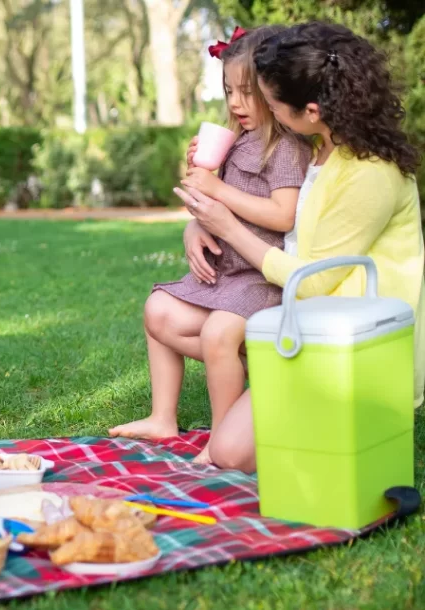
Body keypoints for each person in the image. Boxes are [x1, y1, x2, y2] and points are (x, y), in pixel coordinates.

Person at [175, 21, 424, 473]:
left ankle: (324, 421)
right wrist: (199, 225)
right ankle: (286, 406)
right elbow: (272, 221)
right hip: (308, 325)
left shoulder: (370, 173)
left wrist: (228, 227)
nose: (262, 111)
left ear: (311, 110)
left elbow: (313, 282)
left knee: (229, 453)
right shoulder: (320, 146)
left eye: (272, 103)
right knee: (180, 322)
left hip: (357, 349)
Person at [109, 25, 311, 464]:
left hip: (262, 277)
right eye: (228, 91)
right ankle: (163, 416)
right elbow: (212, 208)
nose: (236, 103)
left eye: (247, 92)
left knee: (220, 333)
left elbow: (283, 214)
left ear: (272, 90)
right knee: (157, 310)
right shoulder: (235, 141)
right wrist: (197, 211)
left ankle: (222, 437)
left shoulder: (286, 149)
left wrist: (218, 192)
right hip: (226, 273)